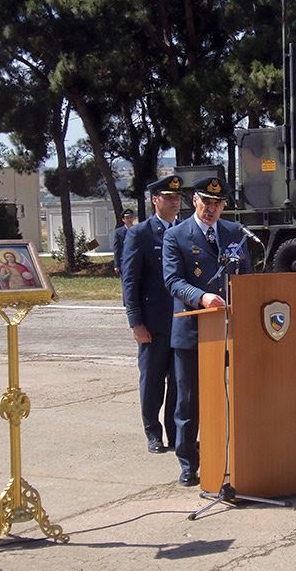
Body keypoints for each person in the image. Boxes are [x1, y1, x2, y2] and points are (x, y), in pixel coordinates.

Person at [162, 176, 251, 487]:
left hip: (230, 330)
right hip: (192, 330)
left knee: (232, 397)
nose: (211, 209)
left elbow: (247, 277)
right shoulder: (176, 236)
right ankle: (189, 462)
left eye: (218, 204)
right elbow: (173, 281)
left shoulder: (234, 232)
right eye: (206, 202)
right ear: (194, 201)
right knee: (188, 402)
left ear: (224, 205)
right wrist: (202, 297)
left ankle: (232, 456)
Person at [120, 175, 183, 455]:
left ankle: (177, 433)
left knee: (180, 383)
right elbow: (130, 280)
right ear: (154, 200)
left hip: (183, 322)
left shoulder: (185, 230)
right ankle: (153, 433)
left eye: (177, 197)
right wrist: (136, 321)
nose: (174, 201)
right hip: (153, 322)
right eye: (168, 196)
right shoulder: (140, 234)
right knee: (153, 380)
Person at [112, 208, 136, 277]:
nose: (129, 219)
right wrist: (116, 265)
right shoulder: (119, 232)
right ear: (123, 219)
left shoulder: (137, 230)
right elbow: (117, 249)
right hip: (124, 262)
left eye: (131, 217)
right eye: (127, 217)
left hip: (136, 261)